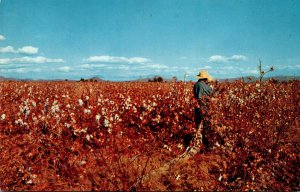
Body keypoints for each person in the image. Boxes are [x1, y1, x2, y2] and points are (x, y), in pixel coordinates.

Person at [193, 70, 213, 149]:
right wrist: (212, 88)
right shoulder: (205, 86)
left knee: (198, 125)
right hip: (204, 107)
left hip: (197, 106)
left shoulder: (196, 85)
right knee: (206, 125)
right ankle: (206, 144)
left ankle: (198, 142)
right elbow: (213, 93)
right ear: (205, 78)